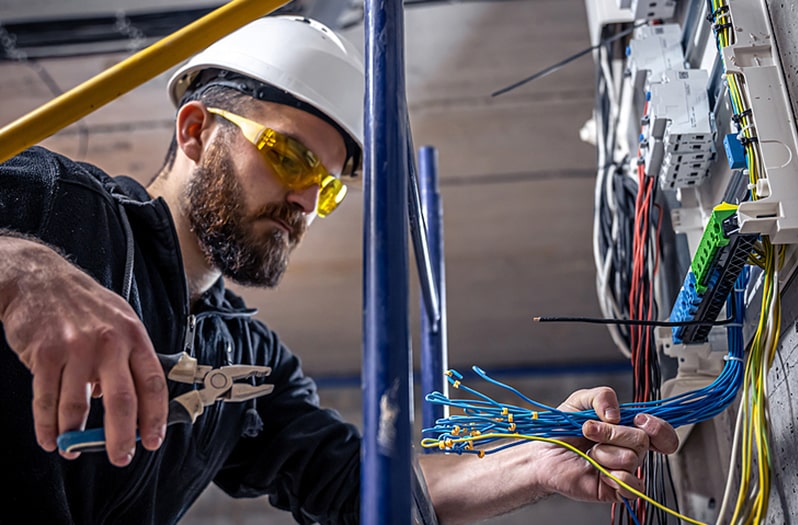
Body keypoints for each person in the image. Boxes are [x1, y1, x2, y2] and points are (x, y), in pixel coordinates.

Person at [0, 15, 678, 525]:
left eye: (326, 188)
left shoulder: (248, 362)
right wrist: (23, 267)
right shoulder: (63, 207)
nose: (305, 202)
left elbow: (362, 485)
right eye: (291, 159)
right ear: (195, 130)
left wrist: (536, 457)